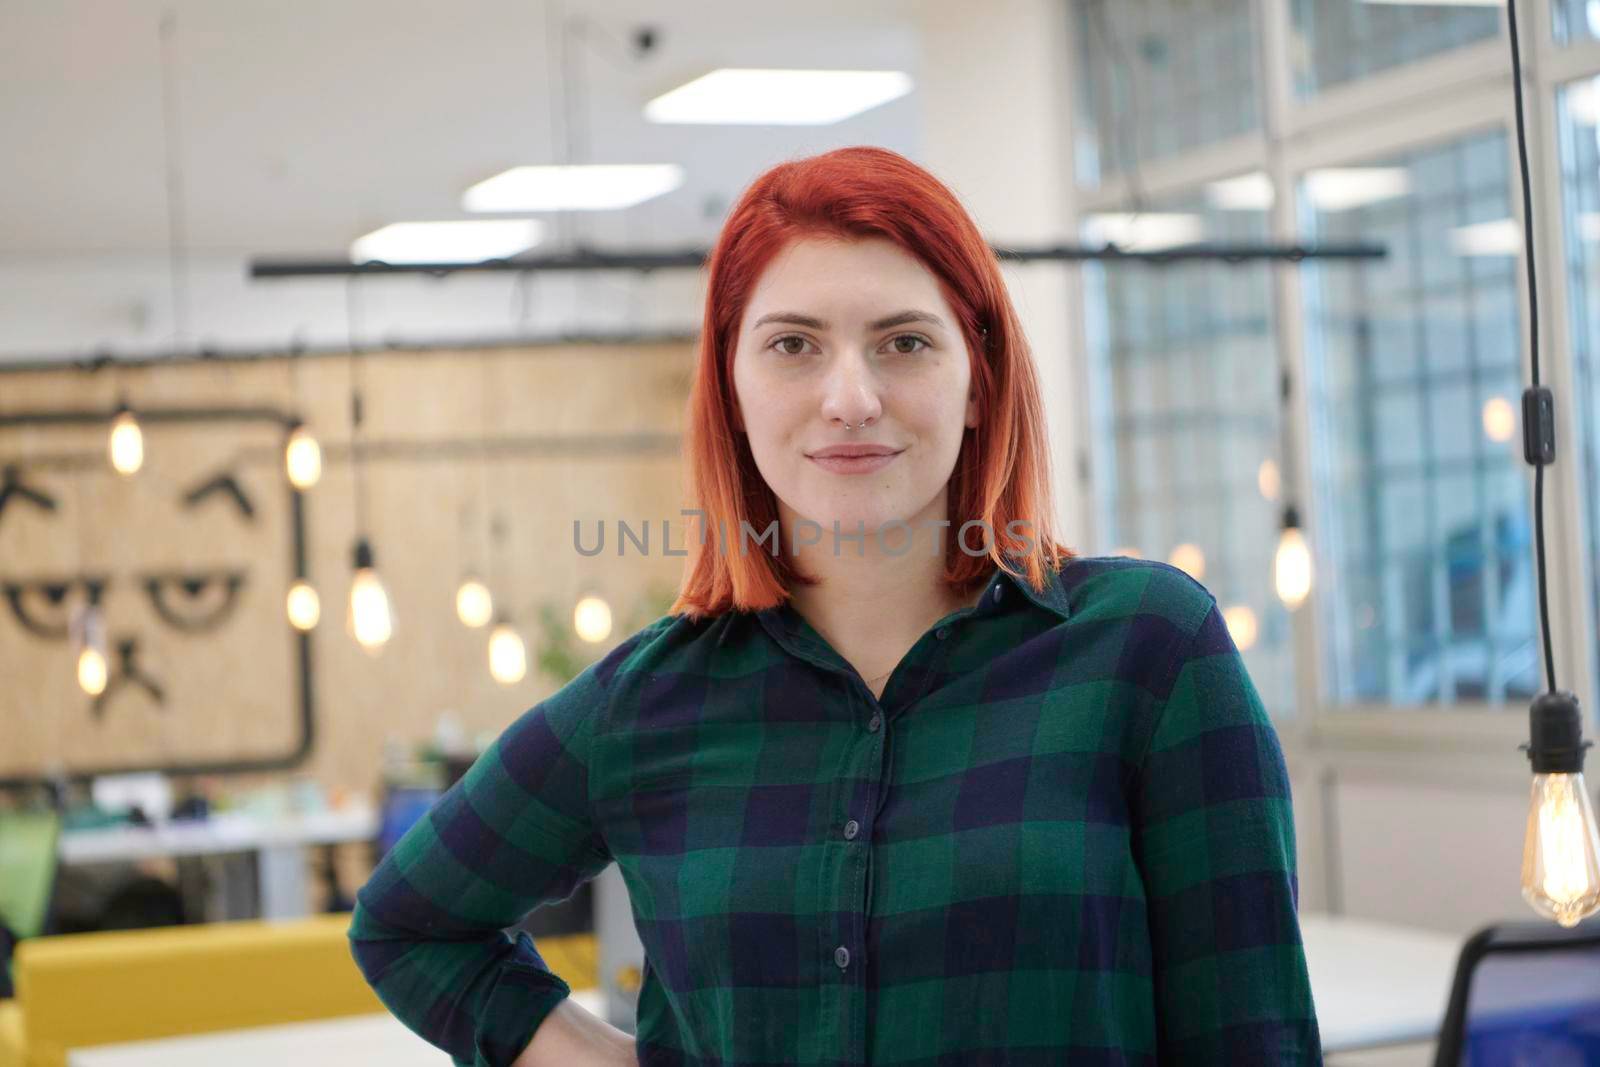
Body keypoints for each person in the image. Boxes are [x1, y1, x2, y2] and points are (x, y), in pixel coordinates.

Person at [348, 145, 1323, 1066]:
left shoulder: (1146, 650)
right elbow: (409, 921)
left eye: (902, 341)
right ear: (731, 388)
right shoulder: (645, 703)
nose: (850, 396)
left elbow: (1253, 1038)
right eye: (793, 346)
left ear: (977, 379)